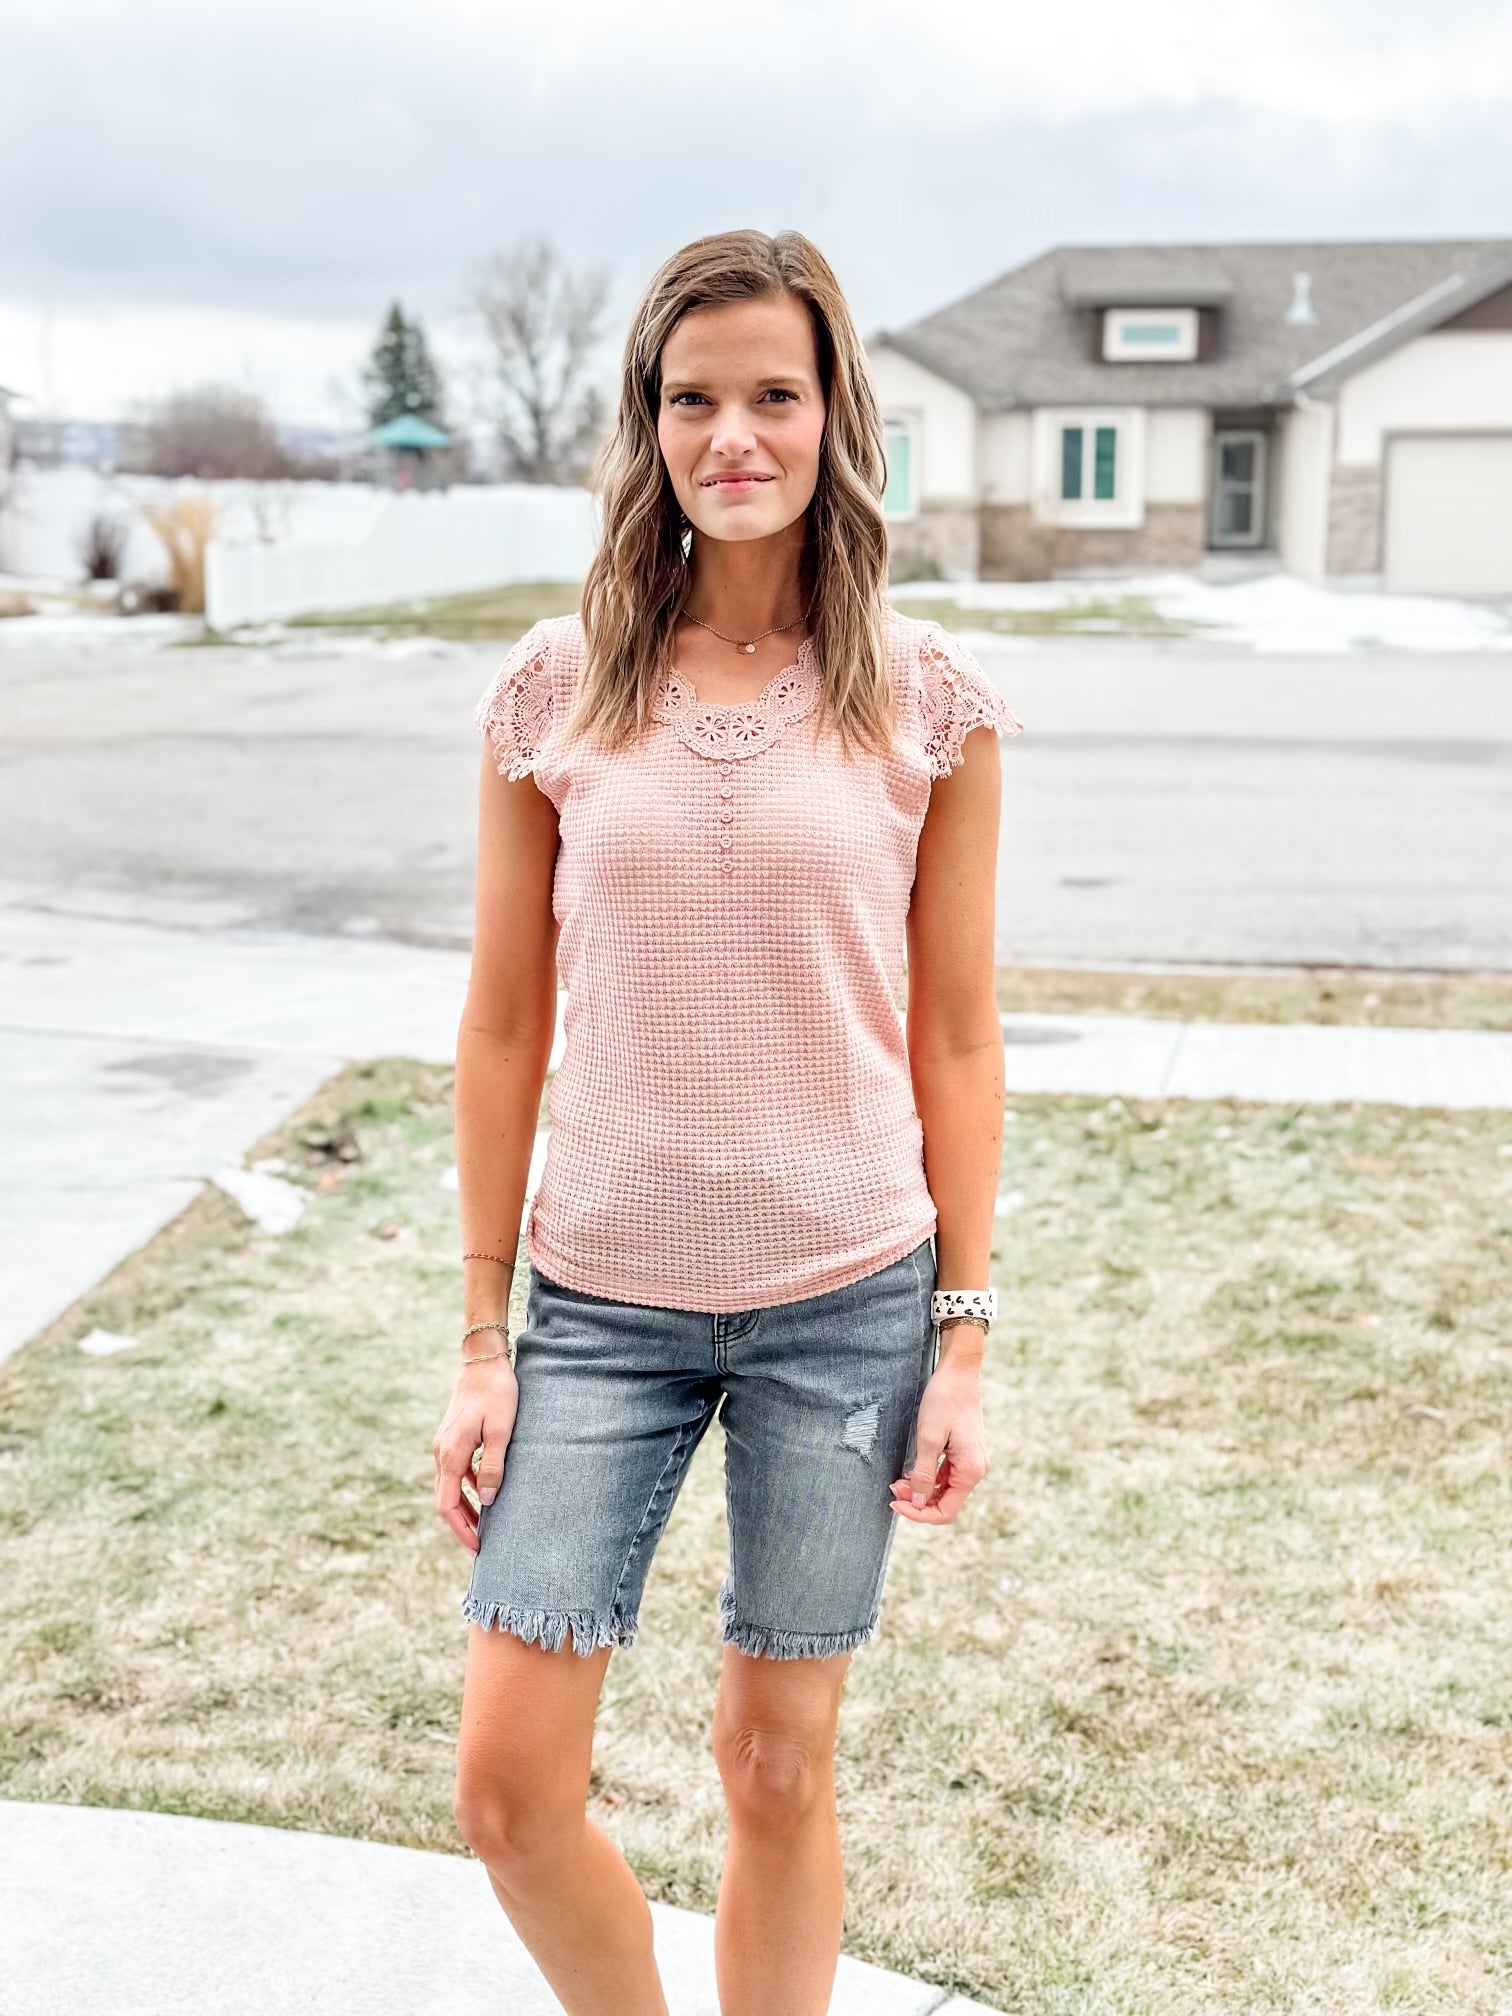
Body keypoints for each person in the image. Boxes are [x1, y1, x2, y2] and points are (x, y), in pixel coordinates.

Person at [432, 227, 1023, 2016]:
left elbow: (959, 1034)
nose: (734, 435)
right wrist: (482, 1337)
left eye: (775, 393)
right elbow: (504, 1022)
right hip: (599, 1306)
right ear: (650, 423)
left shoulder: (928, 700)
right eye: (693, 399)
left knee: (775, 1763)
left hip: (846, 1302)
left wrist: (965, 1338)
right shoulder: (555, 690)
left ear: (837, 415)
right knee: (507, 1792)